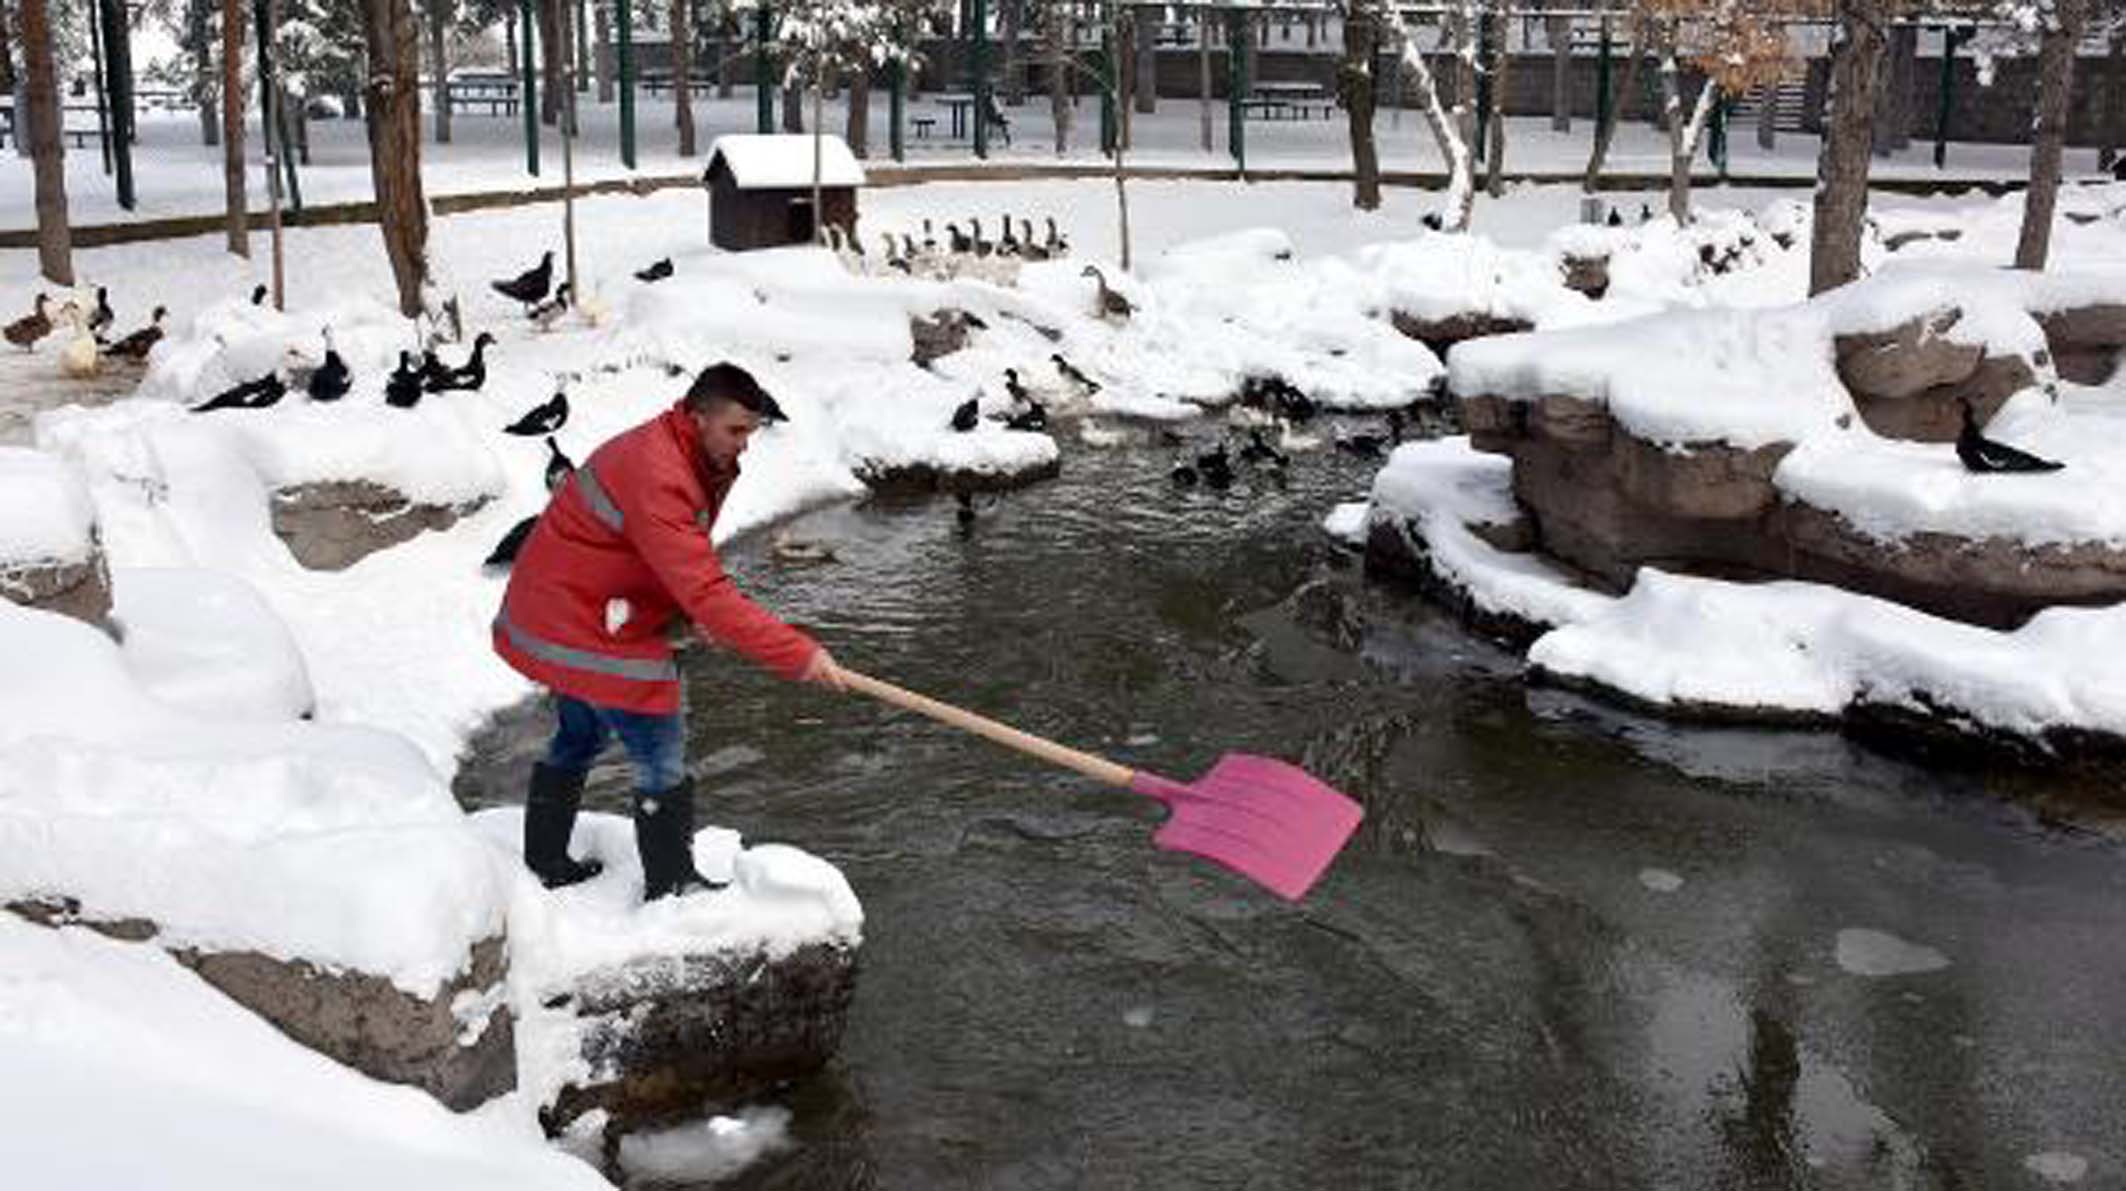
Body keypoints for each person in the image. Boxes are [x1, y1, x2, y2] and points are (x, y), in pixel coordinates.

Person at [493, 362, 846, 900]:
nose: (745, 445)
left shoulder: (680, 450)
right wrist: (798, 655)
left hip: (570, 606)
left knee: (581, 733)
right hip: (580, 618)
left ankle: (545, 861)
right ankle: (672, 884)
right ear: (697, 417)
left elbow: (660, 558)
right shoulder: (659, 472)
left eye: (751, 432)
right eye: (735, 431)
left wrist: (684, 615)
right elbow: (705, 586)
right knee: (659, 747)